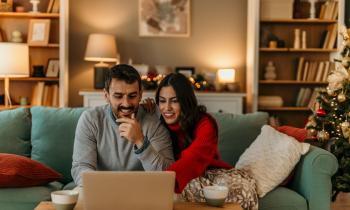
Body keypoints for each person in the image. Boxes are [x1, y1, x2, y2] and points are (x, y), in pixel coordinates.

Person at [153, 73, 258, 210]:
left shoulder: (205, 123)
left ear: (185, 101)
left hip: (209, 173)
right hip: (177, 177)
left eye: (174, 101)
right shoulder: (157, 123)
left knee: (240, 189)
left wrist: (161, 183)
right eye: (162, 101)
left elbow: (194, 157)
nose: (167, 108)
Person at [71, 64, 174, 186]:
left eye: (132, 96)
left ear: (140, 94)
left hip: (141, 193)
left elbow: (167, 175)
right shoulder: (90, 120)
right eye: (118, 96)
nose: (126, 104)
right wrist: (103, 188)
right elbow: (81, 167)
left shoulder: (153, 123)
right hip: (102, 191)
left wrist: (140, 142)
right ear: (106, 95)